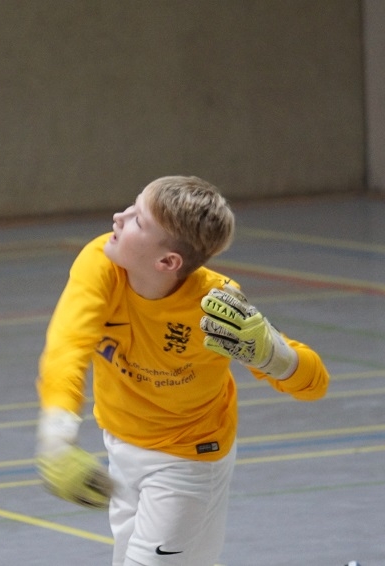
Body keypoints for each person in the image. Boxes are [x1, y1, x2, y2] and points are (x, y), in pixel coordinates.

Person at [36, 176, 329, 566]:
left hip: (189, 458)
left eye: (138, 220)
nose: (119, 217)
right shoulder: (101, 263)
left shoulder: (216, 305)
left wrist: (272, 354)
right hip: (121, 447)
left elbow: (316, 384)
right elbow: (67, 345)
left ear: (168, 262)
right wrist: (57, 435)